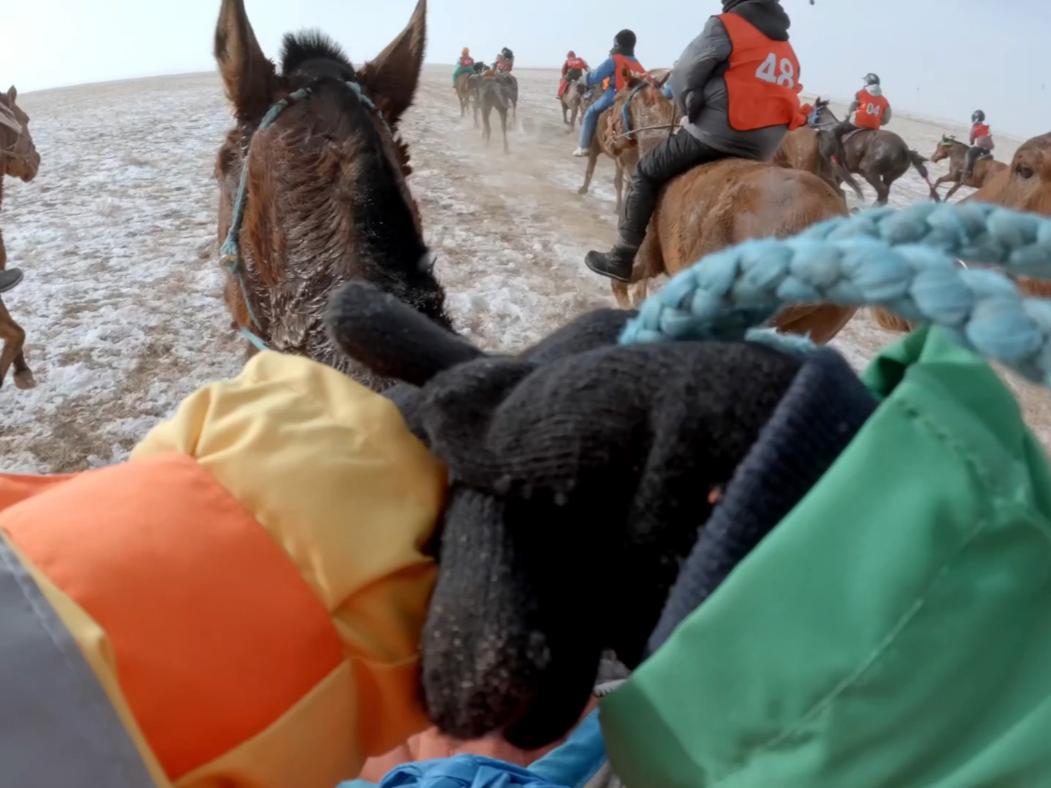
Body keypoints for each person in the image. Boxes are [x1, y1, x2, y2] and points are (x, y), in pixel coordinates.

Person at [585, 1, 803, 281]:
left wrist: (690, 107)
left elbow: (685, 73)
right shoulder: (786, 47)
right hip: (765, 145)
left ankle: (622, 257)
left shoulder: (726, 24)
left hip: (719, 132)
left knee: (645, 171)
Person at [572, 30, 646, 157]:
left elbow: (595, 77)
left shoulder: (615, 59)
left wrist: (583, 80)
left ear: (617, 44)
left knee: (590, 112)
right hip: (635, 98)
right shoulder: (637, 63)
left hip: (616, 95)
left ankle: (583, 147)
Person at [832, 73, 891, 143]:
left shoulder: (860, 93)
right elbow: (886, 120)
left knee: (835, 132)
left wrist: (852, 115)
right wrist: (877, 121)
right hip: (874, 127)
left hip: (857, 123)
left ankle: (837, 153)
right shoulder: (885, 101)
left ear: (867, 82)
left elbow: (852, 108)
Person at [963, 109, 995, 180]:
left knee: (969, 153)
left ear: (976, 118)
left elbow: (972, 137)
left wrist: (971, 142)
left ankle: (968, 171)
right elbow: (989, 136)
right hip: (988, 149)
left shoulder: (975, 126)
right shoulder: (987, 127)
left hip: (980, 146)